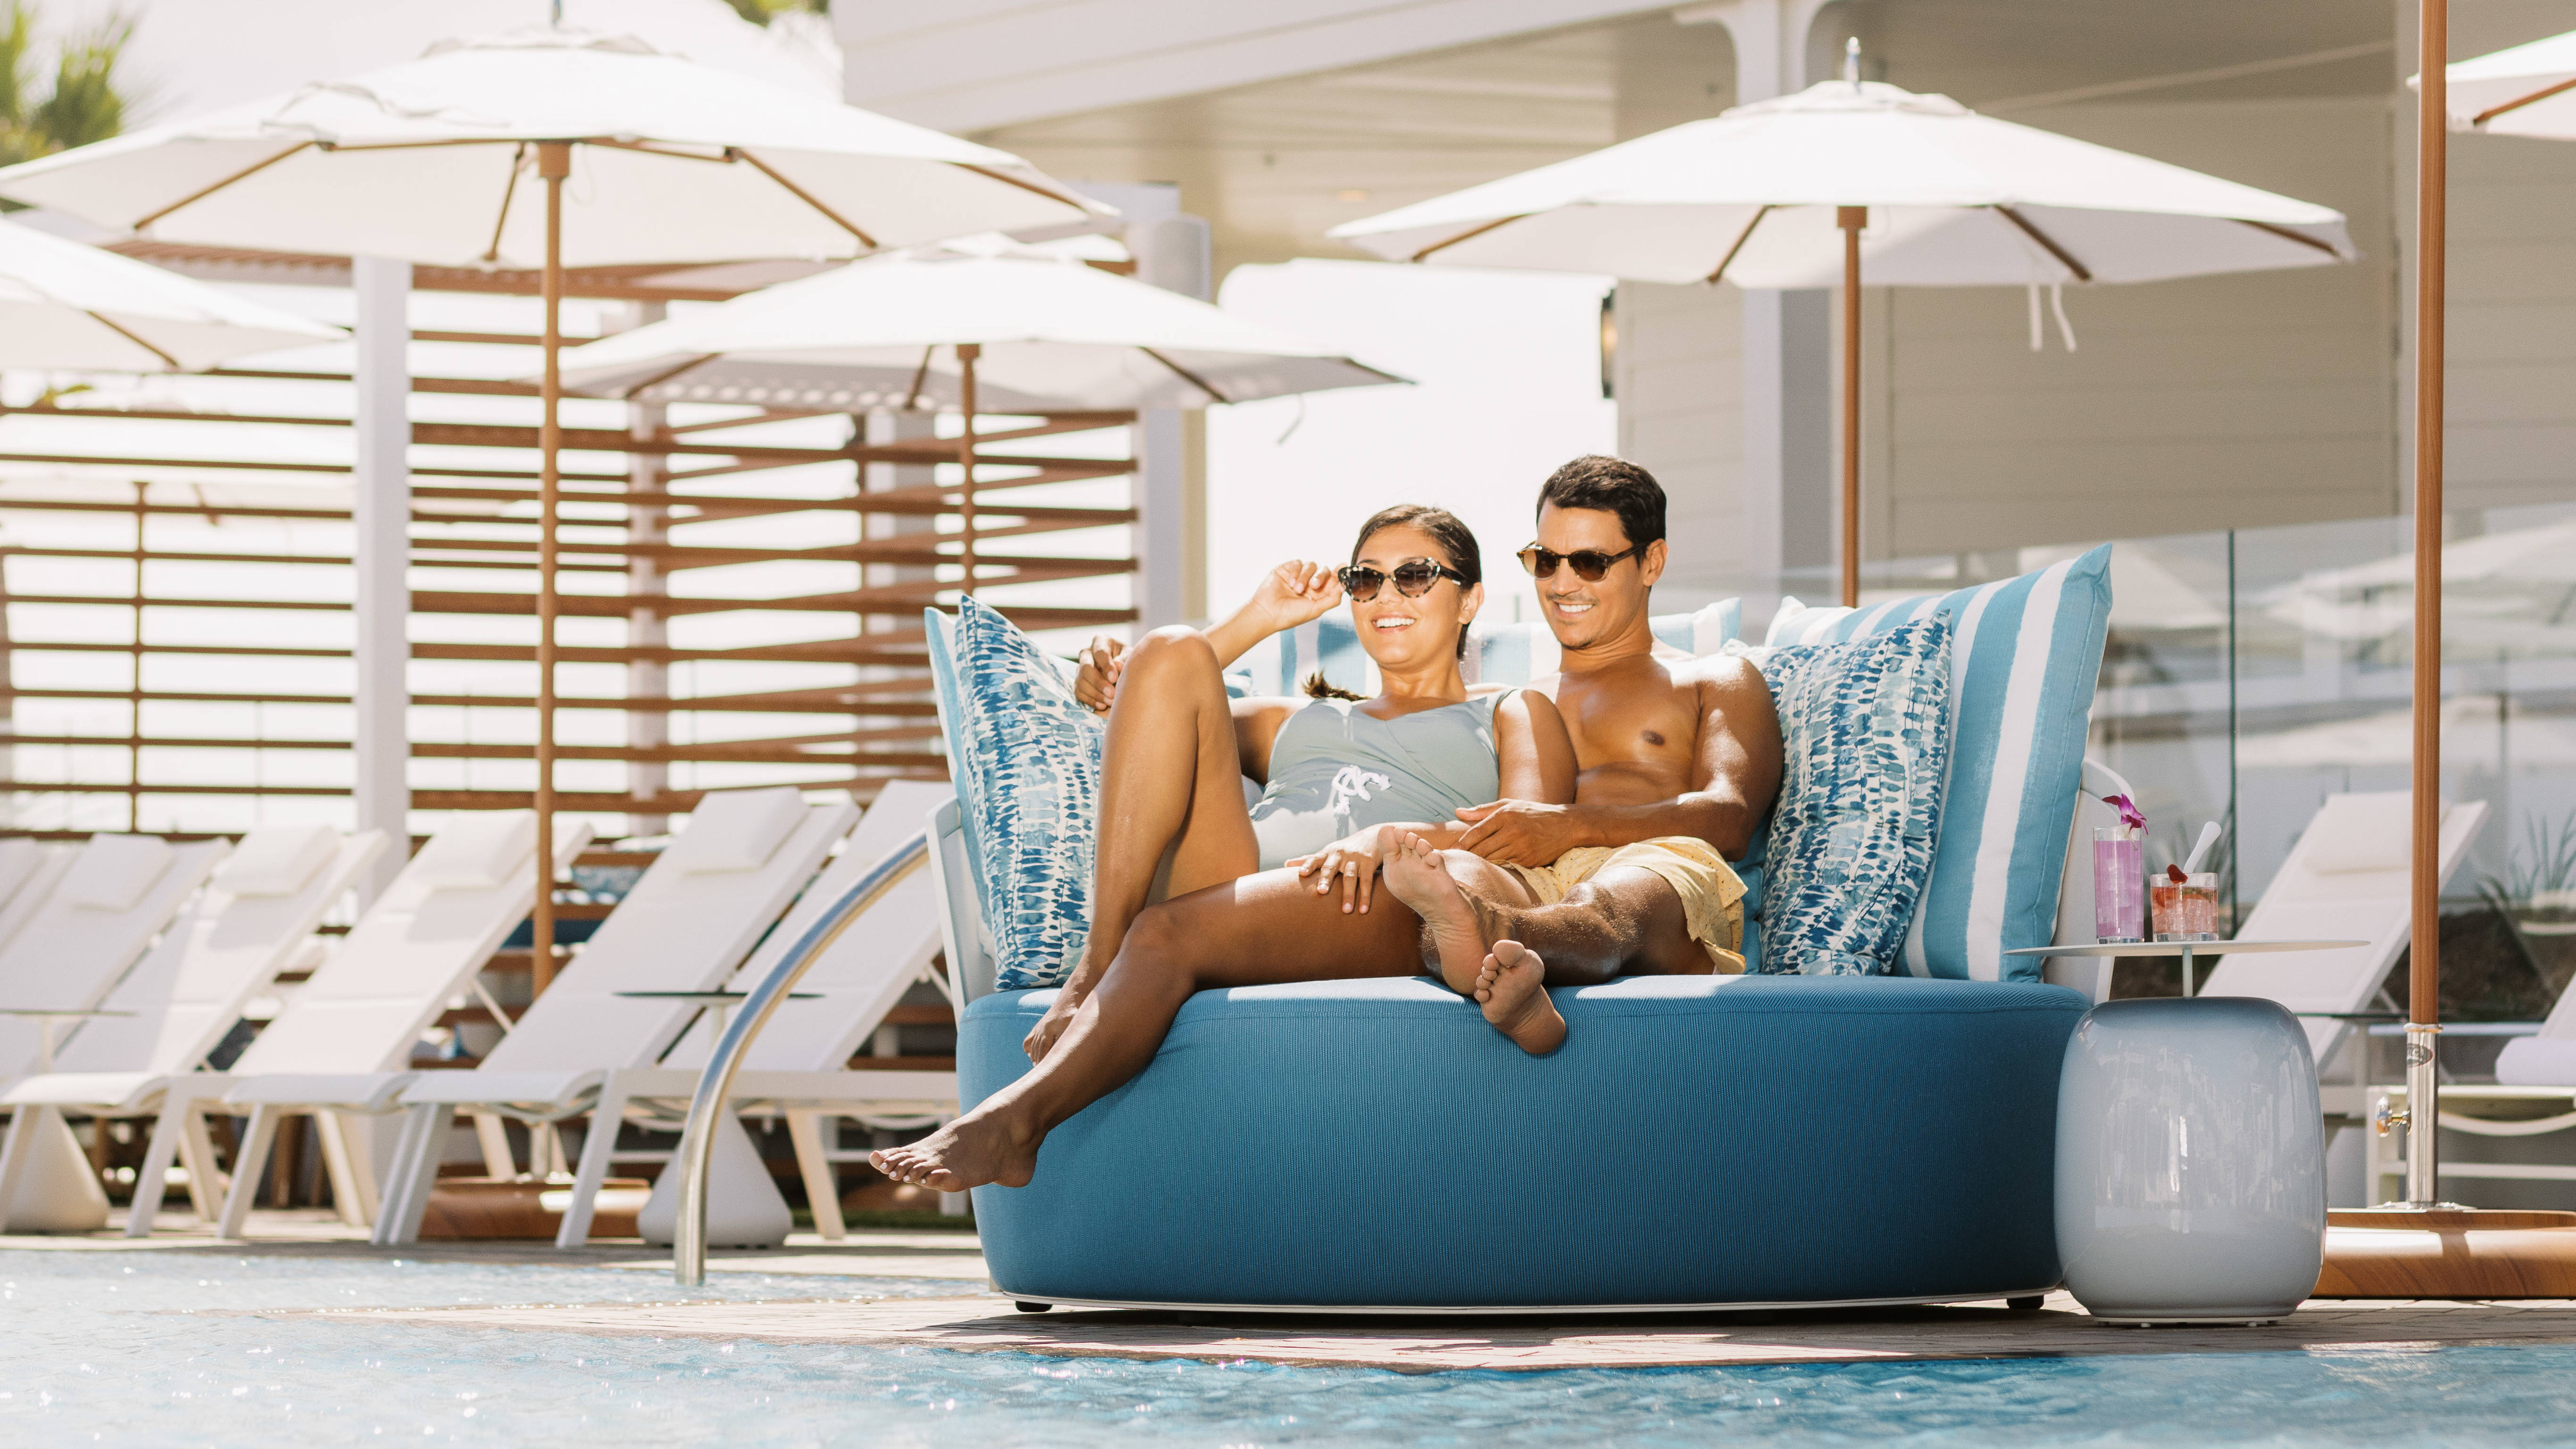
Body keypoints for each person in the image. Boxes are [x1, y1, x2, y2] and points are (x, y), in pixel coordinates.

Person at [869, 506, 1577, 1192]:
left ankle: (1012, 1125)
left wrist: (1392, 838)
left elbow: (1524, 840)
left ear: (1469, 599)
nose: (1386, 596)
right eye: (1365, 579)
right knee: (1171, 646)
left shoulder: (1508, 709)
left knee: (1165, 931)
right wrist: (1258, 618)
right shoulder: (1295, 718)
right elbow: (1146, 698)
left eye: (1414, 576)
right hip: (1234, 888)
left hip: (1375, 897)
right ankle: (1098, 959)